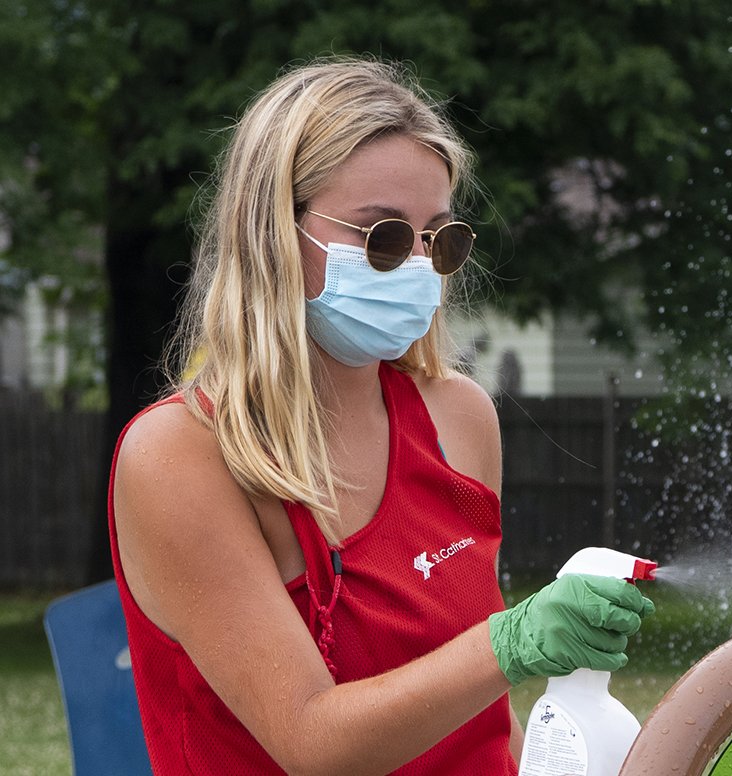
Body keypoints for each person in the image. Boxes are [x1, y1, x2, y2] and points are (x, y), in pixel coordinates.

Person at [108, 57, 653, 775]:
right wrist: (512, 642)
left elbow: (476, 718)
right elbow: (312, 743)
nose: (420, 266)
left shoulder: (459, 418)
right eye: (383, 237)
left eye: (440, 238)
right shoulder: (178, 456)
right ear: (272, 230)